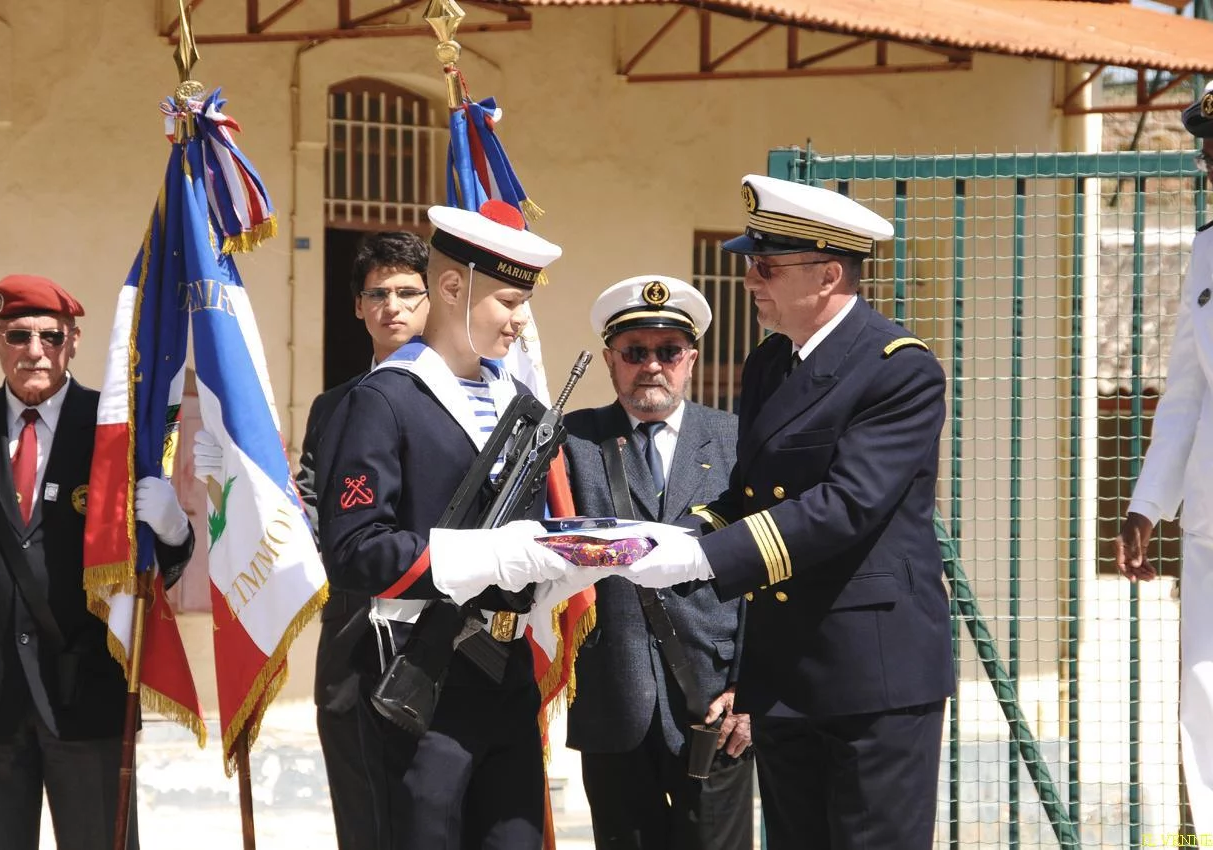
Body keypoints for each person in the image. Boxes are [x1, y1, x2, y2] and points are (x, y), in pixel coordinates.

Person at [620, 175, 954, 849]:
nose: (748, 280)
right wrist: (662, 540)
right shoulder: (771, 363)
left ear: (829, 274)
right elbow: (749, 494)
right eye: (750, 263)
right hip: (785, 674)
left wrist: (704, 558)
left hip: (872, 674)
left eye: (766, 267)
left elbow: (846, 505)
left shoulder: (898, 368)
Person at [316, 200, 574, 850]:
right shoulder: (382, 401)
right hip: (420, 683)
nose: (520, 320)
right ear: (454, 287)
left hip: (507, 675)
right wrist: (486, 557)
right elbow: (354, 548)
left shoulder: (520, 407)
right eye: (509, 301)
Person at [0, 275, 196, 850]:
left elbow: (154, 563)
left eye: (50, 336)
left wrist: (175, 530)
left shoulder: (113, 432)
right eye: (18, 334)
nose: (34, 351)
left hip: (87, 697)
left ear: (74, 341)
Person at [561, 274, 754, 850]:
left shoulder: (736, 440)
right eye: (634, 352)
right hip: (611, 699)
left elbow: (768, 574)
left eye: (668, 352)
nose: (652, 366)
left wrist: (752, 686)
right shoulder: (571, 441)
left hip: (715, 703)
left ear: (690, 360)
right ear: (609, 361)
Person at [298, 231, 429, 850]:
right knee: (362, 821)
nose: (393, 307)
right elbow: (312, 504)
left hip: (439, 642)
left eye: (408, 292)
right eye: (378, 293)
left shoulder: (463, 398)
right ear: (358, 306)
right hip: (351, 641)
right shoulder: (333, 406)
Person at [1114, 80, 1213, 840]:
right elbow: (1185, 390)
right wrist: (1149, 500)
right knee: (1206, 703)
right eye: (1206, 145)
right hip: (1211, 524)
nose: (1209, 158)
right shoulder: (1208, 248)